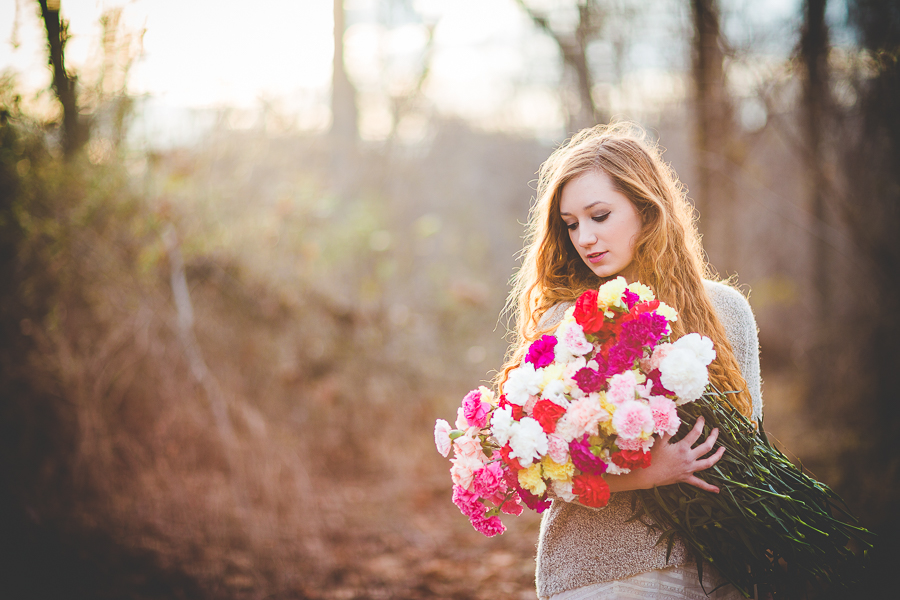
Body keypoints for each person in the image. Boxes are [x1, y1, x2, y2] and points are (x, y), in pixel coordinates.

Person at [499, 122, 763, 600]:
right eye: (572, 224)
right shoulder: (566, 322)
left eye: (600, 215)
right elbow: (535, 468)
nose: (585, 237)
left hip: (718, 566)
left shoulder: (726, 311)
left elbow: (750, 445)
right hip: (601, 573)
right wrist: (649, 472)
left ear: (646, 209)